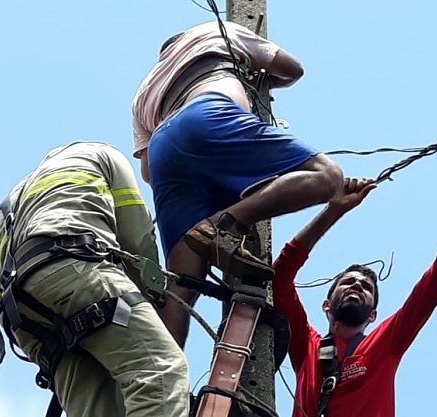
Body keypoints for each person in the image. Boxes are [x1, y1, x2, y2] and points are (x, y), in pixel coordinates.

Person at [132, 20, 344, 347]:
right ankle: (225, 223)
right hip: (208, 111)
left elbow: (146, 171)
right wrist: (257, 78)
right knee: (327, 177)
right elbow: (293, 69)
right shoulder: (215, 31)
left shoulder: (145, 89)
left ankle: (159, 387)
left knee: (181, 289)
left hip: (162, 151)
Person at [272, 127, 437, 417]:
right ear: (326, 305)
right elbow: (279, 279)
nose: (357, 287)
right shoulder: (306, 347)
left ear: (372, 316)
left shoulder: (386, 343)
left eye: (365, 287)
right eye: (348, 282)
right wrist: (333, 211)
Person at [0, 142, 189, 417]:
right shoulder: (104, 155)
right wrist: (155, 305)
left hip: (24, 318)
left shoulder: (19, 196)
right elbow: (138, 243)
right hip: (74, 271)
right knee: (159, 370)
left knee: (98, 410)